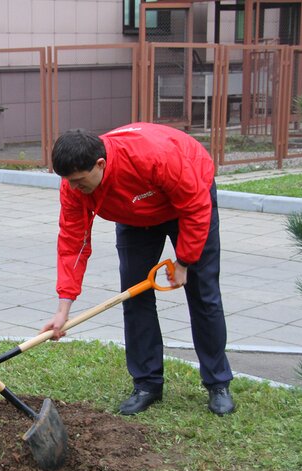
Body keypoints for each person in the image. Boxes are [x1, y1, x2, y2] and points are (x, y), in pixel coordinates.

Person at [41, 123, 235, 417]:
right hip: (134, 215)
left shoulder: (155, 157)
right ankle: (147, 384)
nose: (75, 188)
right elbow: (73, 243)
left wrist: (184, 261)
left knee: (203, 292)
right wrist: (63, 307)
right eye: (69, 182)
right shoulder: (73, 187)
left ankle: (218, 383)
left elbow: (196, 207)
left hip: (189, 199)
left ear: (100, 164)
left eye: (80, 181)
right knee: (133, 296)